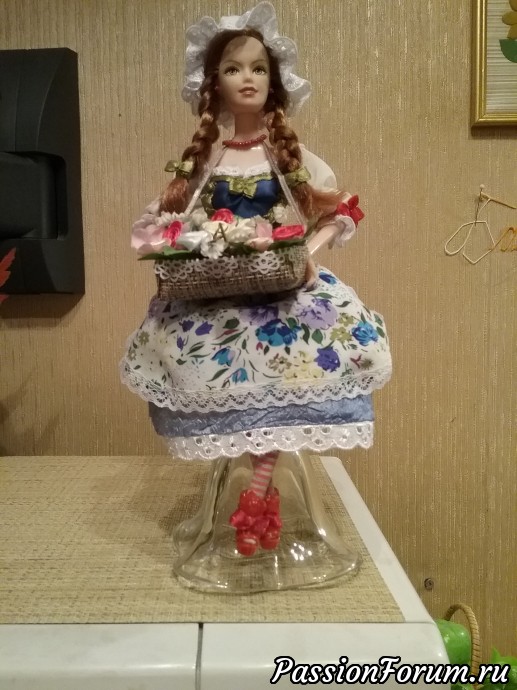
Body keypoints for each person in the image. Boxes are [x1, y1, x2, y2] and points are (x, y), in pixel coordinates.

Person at [120, 2, 391, 557]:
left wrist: (306, 252)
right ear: (213, 85)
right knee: (223, 389)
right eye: (234, 68)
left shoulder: (291, 158)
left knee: (289, 384)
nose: (248, 78)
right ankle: (249, 505)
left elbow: (344, 210)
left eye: (259, 68)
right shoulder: (206, 163)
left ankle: (259, 502)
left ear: (275, 81)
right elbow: (162, 221)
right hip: (215, 298)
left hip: (285, 299)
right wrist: (174, 238)